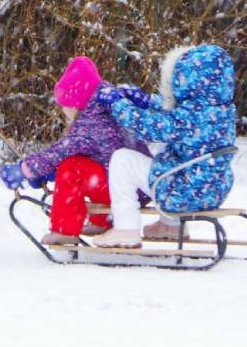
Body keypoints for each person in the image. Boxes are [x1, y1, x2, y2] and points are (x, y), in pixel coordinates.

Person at [92, 44, 238, 249]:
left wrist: (118, 104)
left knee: (123, 159)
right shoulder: (222, 111)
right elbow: (175, 113)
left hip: (183, 192)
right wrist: (147, 100)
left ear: (187, 79)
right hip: (211, 190)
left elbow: (148, 127)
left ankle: (126, 228)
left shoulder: (189, 116)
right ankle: (171, 225)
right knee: (168, 155)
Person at [0, 56, 148, 245]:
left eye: (64, 106)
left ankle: (64, 230)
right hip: (133, 185)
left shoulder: (90, 123)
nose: (63, 111)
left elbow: (60, 152)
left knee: (71, 168)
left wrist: (24, 169)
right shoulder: (104, 108)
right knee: (81, 165)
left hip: (122, 189)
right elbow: (94, 155)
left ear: (74, 102)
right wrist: (48, 172)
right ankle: (102, 220)